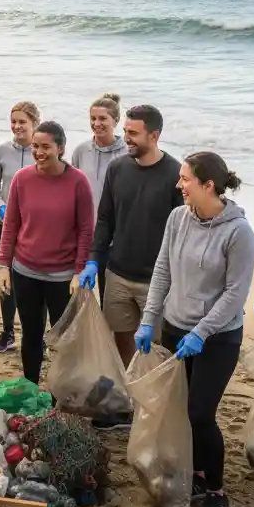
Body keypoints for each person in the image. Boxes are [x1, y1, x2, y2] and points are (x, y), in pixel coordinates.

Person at [137, 151, 254, 507]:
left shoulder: (239, 233)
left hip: (217, 338)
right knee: (178, 411)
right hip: (175, 327)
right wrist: (148, 321)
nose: (178, 184)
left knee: (200, 413)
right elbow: (162, 270)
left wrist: (201, 333)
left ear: (208, 185)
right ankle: (197, 473)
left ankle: (218, 493)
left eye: (186, 179)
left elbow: (235, 295)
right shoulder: (178, 218)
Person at [80, 104, 183, 369]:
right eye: (125, 131)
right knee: (121, 340)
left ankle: (151, 400)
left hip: (157, 280)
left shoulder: (175, 174)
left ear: (154, 135)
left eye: (134, 133)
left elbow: (183, 233)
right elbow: (105, 220)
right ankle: (126, 395)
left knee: (157, 347)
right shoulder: (117, 168)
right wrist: (94, 259)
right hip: (117, 274)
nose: (126, 138)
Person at [0, 121, 95, 384]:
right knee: (31, 333)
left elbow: (86, 230)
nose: (38, 152)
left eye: (45, 147)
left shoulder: (78, 182)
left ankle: (58, 394)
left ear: (60, 148)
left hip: (63, 276)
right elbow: (11, 225)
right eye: (35, 146)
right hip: (25, 270)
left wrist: (79, 271)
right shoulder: (22, 179)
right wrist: (3, 264)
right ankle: (30, 386)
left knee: (63, 338)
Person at [0, 101, 40, 353]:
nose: (17, 127)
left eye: (22, 122)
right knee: (5, 279)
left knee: (35, 281)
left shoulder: (43, 151)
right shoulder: (2, 151)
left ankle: (38, 333)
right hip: (5, 226)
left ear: (35, 124)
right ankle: (7, 332)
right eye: (14, 121)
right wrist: (0, 206)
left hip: (37, 230)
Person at [72, 93, 127, 303]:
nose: (97, 123)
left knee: (108, 298)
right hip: (83, 234)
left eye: (103, 119)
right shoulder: (80, 151)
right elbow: (72, 191)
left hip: (114, 239)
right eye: (93, 118)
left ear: (116, 120)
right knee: (77, 293)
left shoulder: (127, 154)